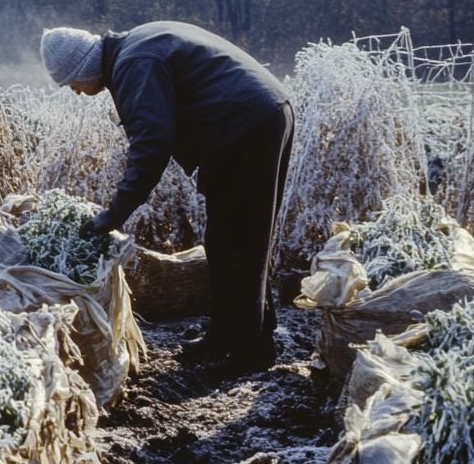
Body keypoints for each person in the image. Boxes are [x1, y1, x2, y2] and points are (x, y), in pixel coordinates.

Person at [39, 21, 293, 377]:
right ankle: (225, 336)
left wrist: (115, 213)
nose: (76, 92)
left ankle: (249, 351)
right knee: (223, 239)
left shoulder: (134, 63)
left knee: (242, 241)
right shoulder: (133, 50)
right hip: (247, 121)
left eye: (71, 83)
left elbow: (152, 143)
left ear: (84, 66)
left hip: (249, 125)